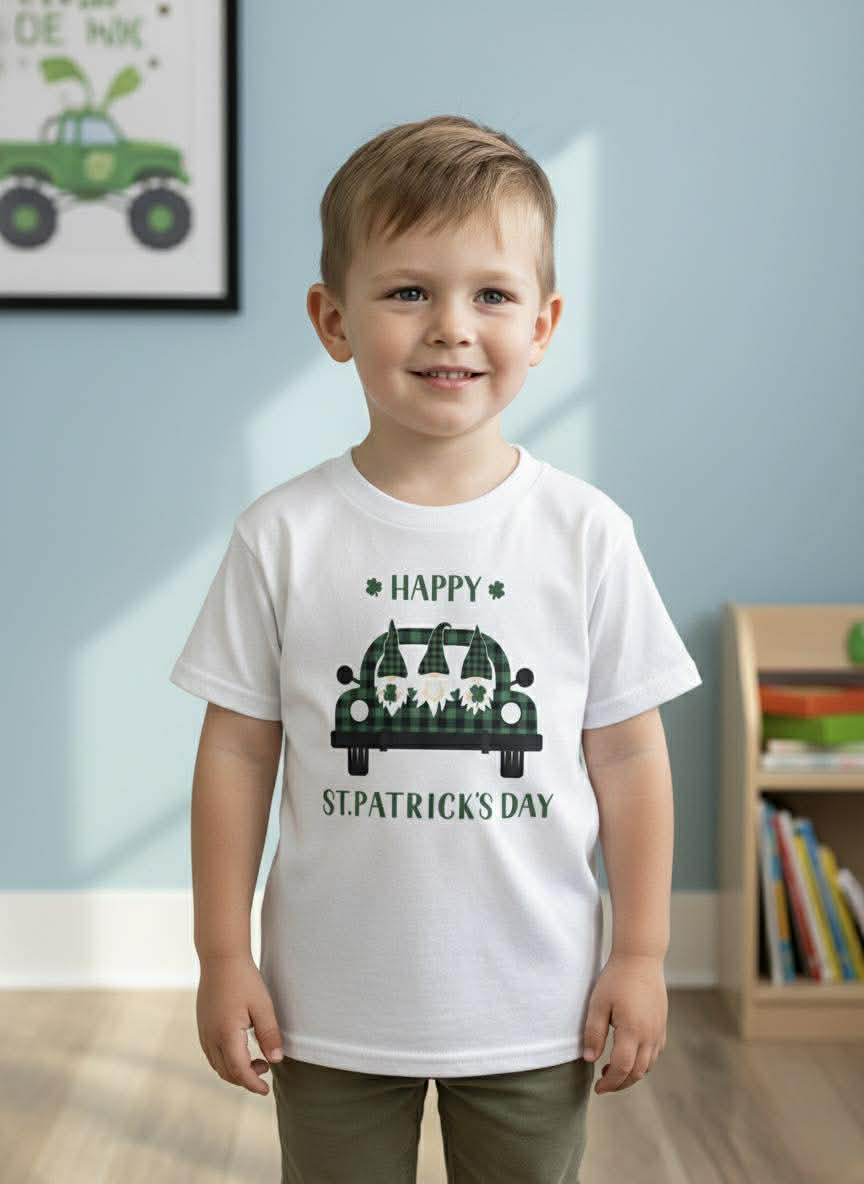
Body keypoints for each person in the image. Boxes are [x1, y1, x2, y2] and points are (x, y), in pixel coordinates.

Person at [169, 114, 703, 1183]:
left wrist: (640, 953)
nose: (451, 326)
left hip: (533, 991)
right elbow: (236, 753)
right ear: (333, 318)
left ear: (544, 324)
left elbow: (632, 756)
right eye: (409, 291)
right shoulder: (284, 533)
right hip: (328, 996)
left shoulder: (585, 532)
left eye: (492, 295)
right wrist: (223, 954)